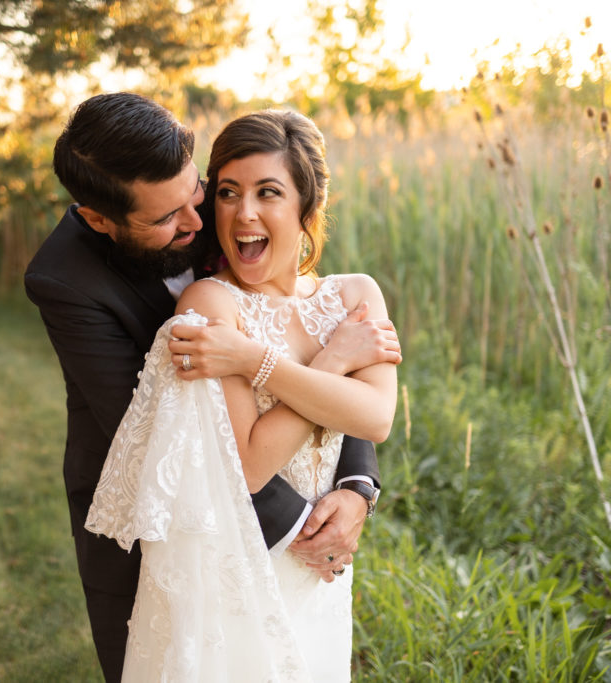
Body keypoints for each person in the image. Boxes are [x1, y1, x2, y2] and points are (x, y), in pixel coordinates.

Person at [24, 93, 400, 682]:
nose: (203, 226)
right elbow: (178, 442)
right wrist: (302, 530)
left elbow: (344, 372)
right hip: (167, 518)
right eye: (167, 219)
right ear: (100, 219)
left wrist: (353, 490)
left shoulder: (225, 205)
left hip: (304, 528)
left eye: (198, 193)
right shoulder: (64, 281)